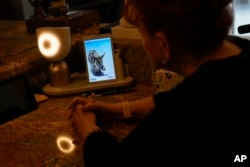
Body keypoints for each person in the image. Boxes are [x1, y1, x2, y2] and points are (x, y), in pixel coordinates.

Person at [68, 0, 250, 166]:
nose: (144, 42)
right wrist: (118, 109)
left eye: (142, 32)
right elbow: (174, 99)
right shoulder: (239, 50)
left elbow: (116, 161)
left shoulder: (190, 102)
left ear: (163, 43)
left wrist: (88, 128)